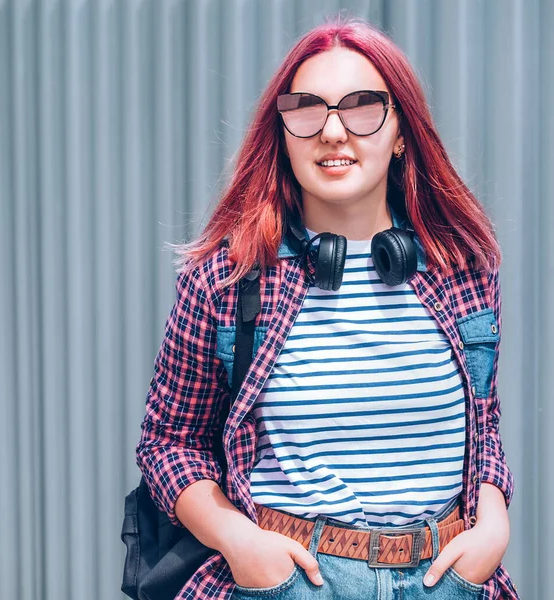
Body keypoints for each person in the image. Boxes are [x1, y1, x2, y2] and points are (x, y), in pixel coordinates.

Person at [136, 16, 518, 600]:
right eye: (308, 110)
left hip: (448, 577)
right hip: (292, 577)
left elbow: (482, 424)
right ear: (283, 134)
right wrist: (242, 545)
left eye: (363, 108)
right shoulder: (228, 278)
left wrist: (492, 523)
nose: (334, 132)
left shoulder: (461, 270)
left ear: (401, 135)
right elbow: (169, 442)